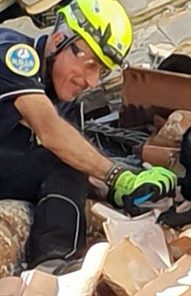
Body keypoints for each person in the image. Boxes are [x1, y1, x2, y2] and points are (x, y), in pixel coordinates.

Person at [0, 0, 176, 272]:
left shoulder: (61, 100)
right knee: (63, 158)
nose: (93, 81)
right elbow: (50, 131)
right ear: (60, 38)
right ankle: (52, 265)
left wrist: (123, 192)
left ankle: (56, 268)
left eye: (102, 71)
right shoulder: (14, 53)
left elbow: (78, 159)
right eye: (90, 64)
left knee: (72, 162)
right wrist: (117, 175)